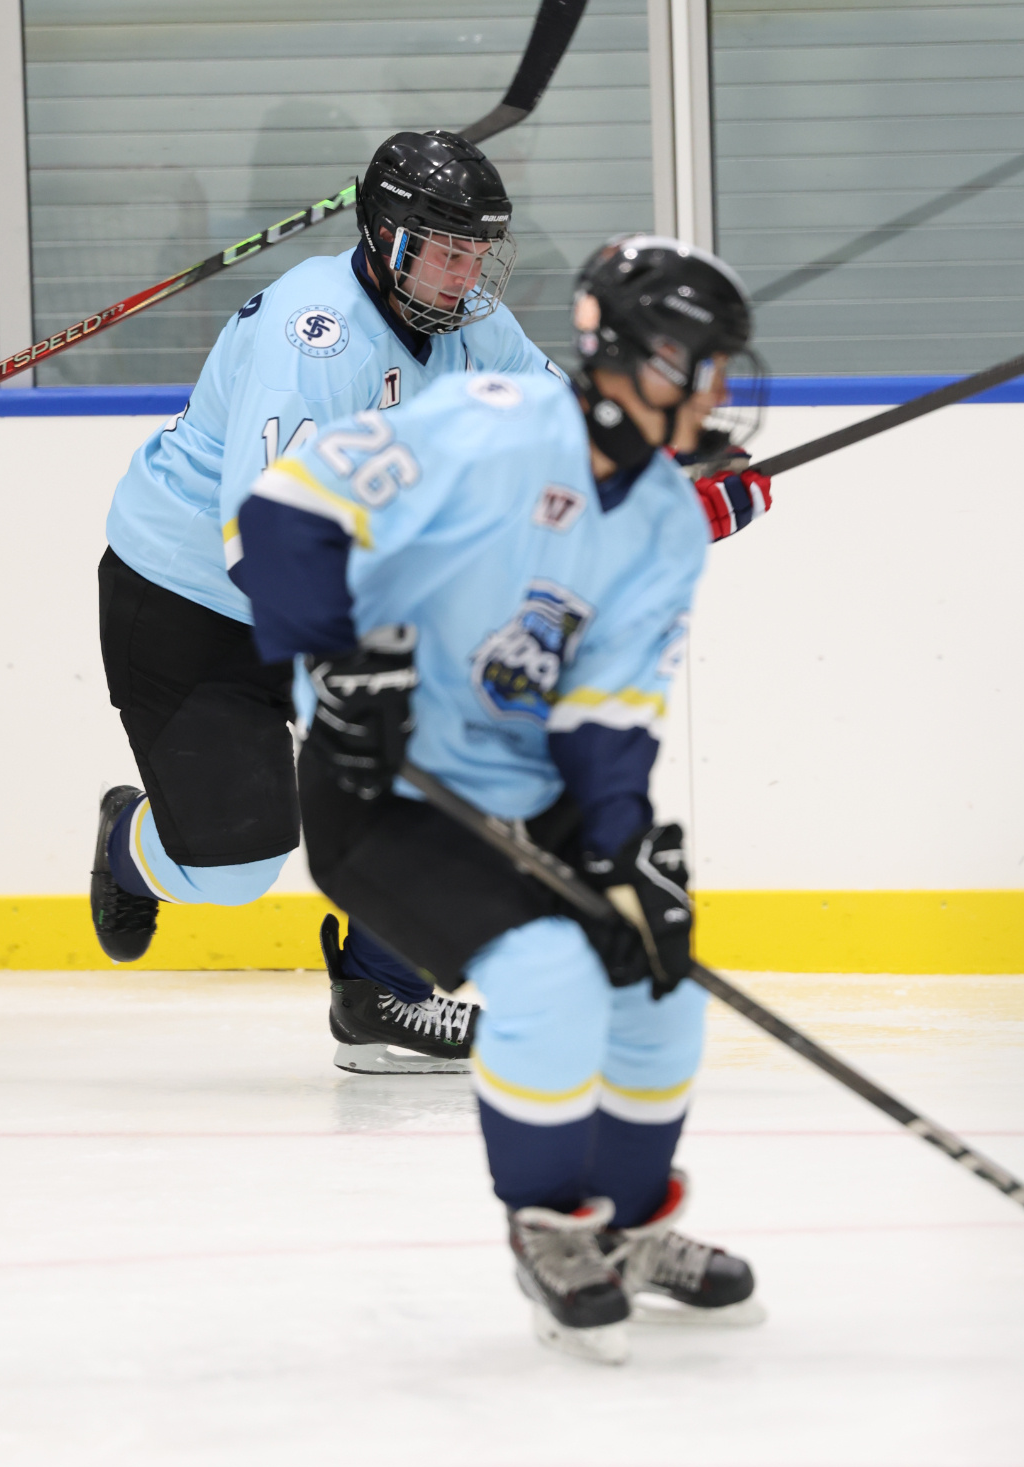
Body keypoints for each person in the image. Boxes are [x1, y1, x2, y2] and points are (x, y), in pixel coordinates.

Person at [234, 233, 773, 1363]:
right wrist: (339, 660)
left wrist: (622, 844)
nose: (717, 388)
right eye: (699, 361)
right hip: (384, 786)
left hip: (531, 789)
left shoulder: (668, 520)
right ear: (629, 357)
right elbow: (284, 512)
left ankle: (628, 1228)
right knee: (546, 978)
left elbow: (608, 712)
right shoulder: (489, 423)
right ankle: (550, 1231)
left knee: (656, 979)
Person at [91, 129, 562, 1072]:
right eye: (444, 250)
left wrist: (671, 480)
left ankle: (381, 991)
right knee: (232, 870)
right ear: (386, 237)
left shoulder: (468, 321)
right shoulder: (315, 337)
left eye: (476, 252)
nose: (465, 275)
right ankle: (127, 847)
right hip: (189, 599)